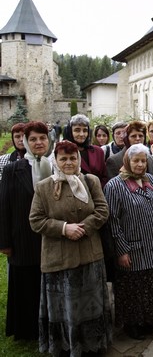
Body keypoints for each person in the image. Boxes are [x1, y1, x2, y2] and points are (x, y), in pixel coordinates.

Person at [29, 140, 112, 356]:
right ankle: (67, 346)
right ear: (55, 160)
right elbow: (36, 220)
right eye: (63, 158)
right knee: (65, 306)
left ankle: (93, 344)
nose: (68, 163)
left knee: (90, 303)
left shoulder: (91, 181)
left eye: (73, 158)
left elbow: (102, 210)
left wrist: (83, 227)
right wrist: (64, 228)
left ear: (79, 159)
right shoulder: (44, 187)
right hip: (59, 258)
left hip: (90, 254)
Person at [104, 144, 153, 340]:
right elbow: (112, 221)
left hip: (152, 246)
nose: (140, 164)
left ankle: (148, 320)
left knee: (150, 286)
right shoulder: (115, 185)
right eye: (136, 160)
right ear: (127, 161)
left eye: (143, 161)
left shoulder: (150, 180)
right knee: (132, 288)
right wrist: (121, 251)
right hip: (132, 249)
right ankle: (132, 324)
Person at [0, 121, 53, 340]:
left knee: (48, 283)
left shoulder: (56, 165)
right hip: (22, 237)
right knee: (26, 284)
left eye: (42, 138)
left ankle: (49, 324)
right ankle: (27, 329)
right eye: (33, 139)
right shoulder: (12, 169)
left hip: (51, 238)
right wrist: (5, 242)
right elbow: (4, 206)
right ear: (25, 141)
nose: (38, 142)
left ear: (48, 140)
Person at [63, 114, 108, 187]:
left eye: (85, 130)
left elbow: (104, 177)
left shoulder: (98, 151)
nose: (81, 134)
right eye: (77, 130)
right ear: (70, 132)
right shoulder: (63, 153)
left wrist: (97, 190)